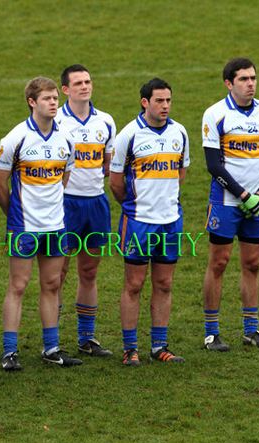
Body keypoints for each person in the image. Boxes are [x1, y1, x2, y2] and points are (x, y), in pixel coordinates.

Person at [0, 77, 81, 371]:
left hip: (55, 225)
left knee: (52, 285)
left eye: (55, 98)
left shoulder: (66, 139)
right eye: (47, 98)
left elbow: (63, 179)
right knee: (18, 285)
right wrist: (14, 215)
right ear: (32, 102)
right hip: (24, 227)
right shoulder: (16, 138)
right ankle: (9, 352)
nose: (53, 102)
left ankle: (52, 348)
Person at [201, 58, 259, 351]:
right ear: (228, 83)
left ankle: (251, 330)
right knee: (219, 262)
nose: (251, 84)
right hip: (225, 201)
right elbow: (213, 165)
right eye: (244, 79)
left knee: (253, 263)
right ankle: (211, 332)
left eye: (253, 78)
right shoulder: (216, 114)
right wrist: (243, 195)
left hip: (257, 203)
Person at [110, 78, 190, 366]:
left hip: (170, 221)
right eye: (159, 100)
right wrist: (134, 207)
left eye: (168, 100)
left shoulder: (179, 132)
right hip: (139, 222)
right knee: (134, 283)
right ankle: (130, 348)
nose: (165, 105)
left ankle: (159, 346)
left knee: (165, 283)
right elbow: (116, 183)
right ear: (145, 102)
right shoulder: (128, 135)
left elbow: (181, 173)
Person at [55, 65, 116, 357]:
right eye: (78, 83)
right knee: (58, 272)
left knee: (89, 271)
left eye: (88, 81)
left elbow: (107, 164)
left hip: (96, 202)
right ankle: (51, 340)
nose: (84, 86)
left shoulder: (105, 121)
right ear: (65, 89)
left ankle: (86, 338)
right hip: (65, 203)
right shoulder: (55, 120)